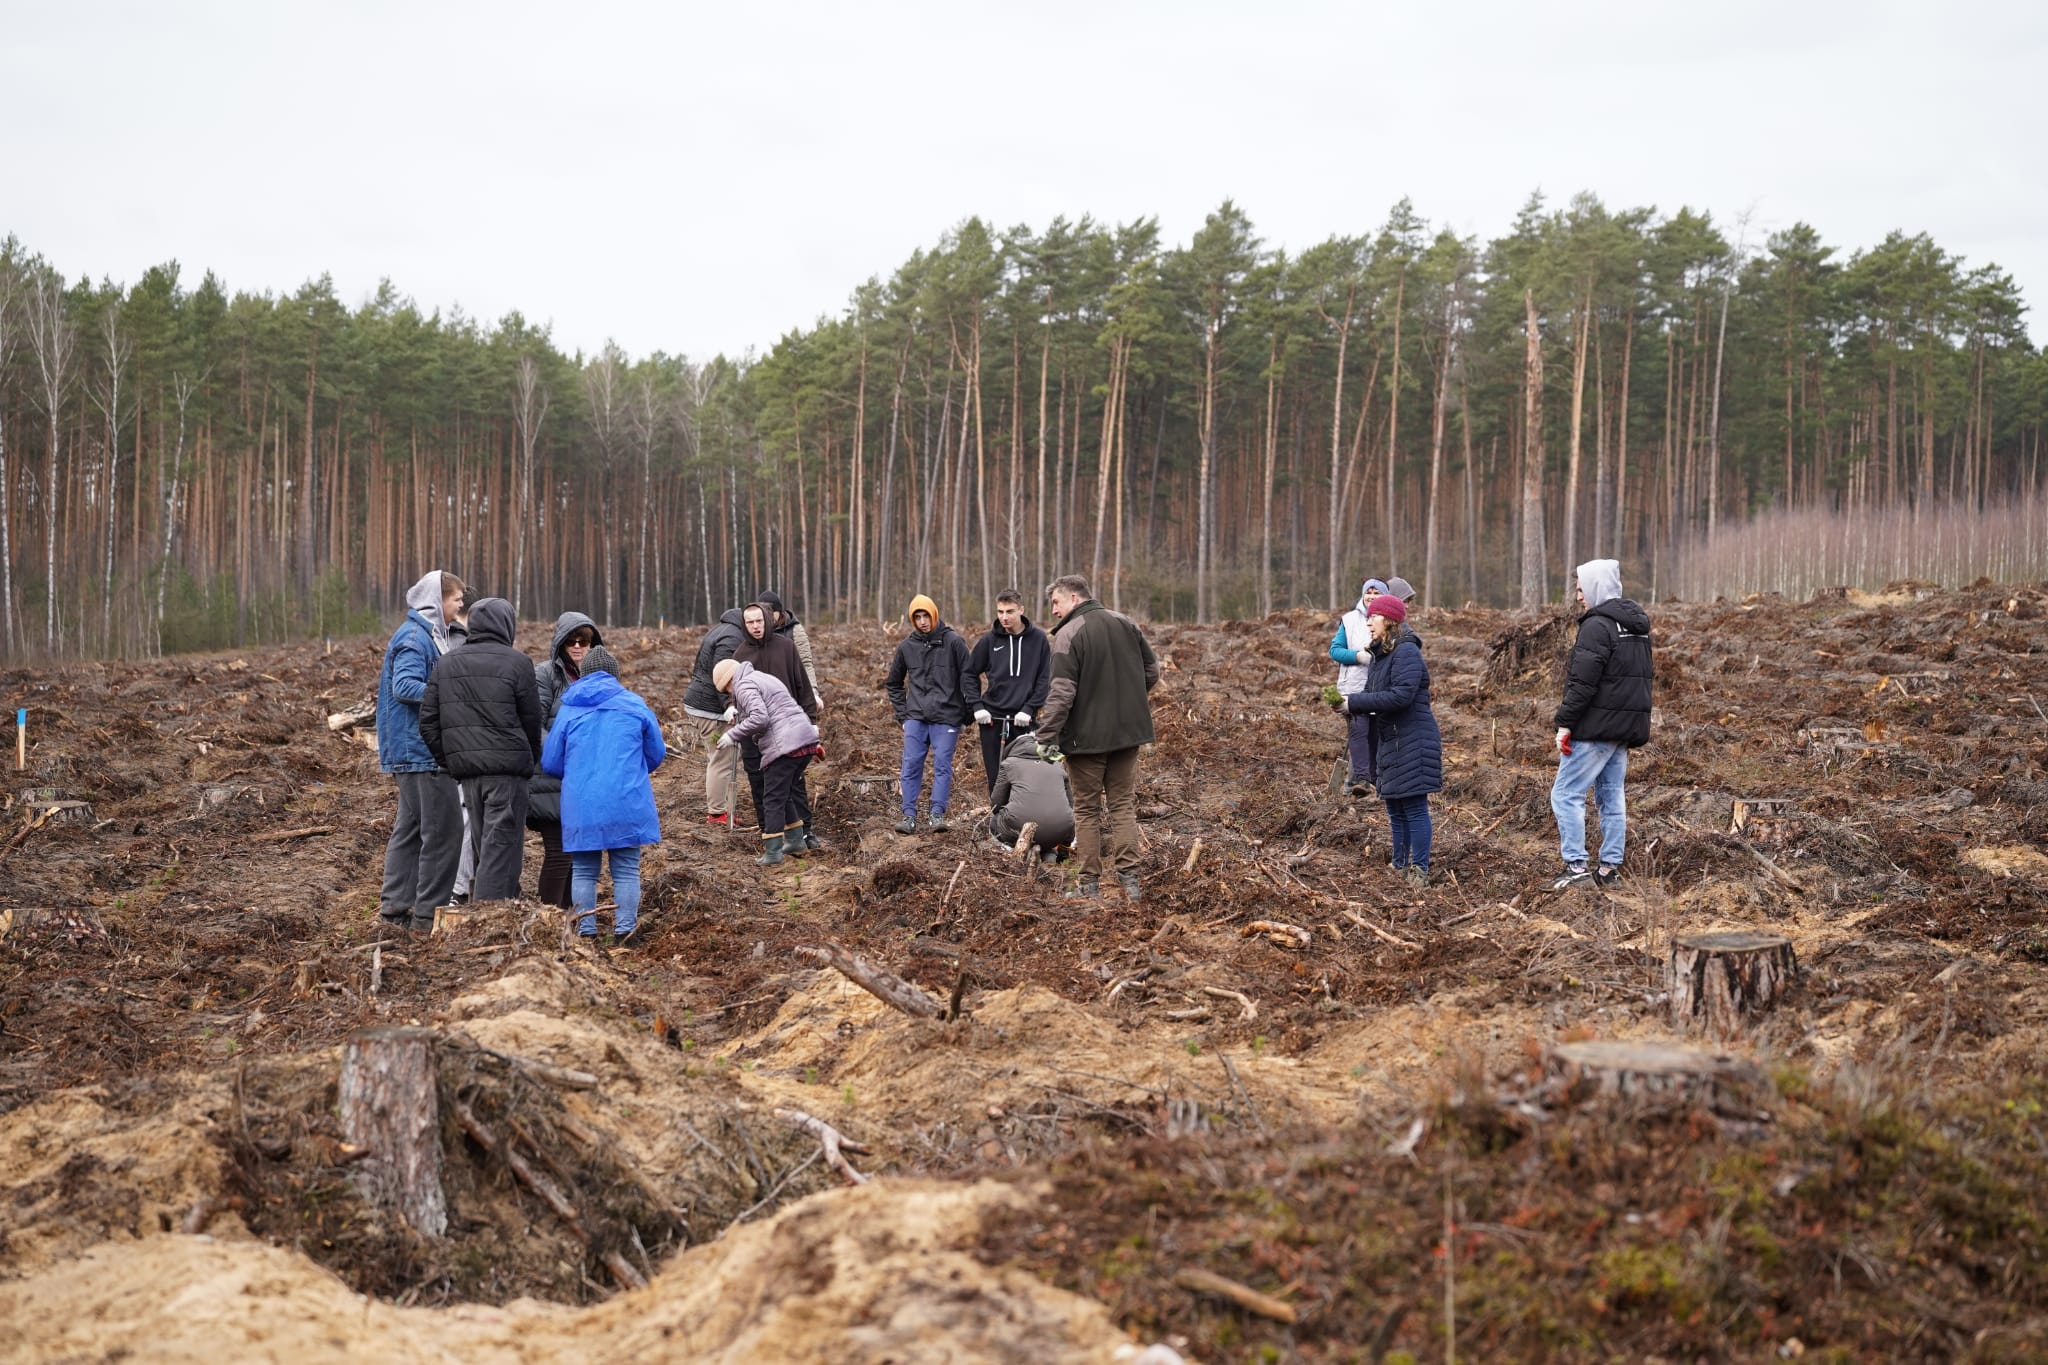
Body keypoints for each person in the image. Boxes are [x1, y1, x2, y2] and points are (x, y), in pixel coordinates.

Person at [1035, 574, 1159, 902]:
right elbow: (1152, 672)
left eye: (1056, 602)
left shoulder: (1069, 634)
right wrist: (1128, 703)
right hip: (1127, 734)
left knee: (1087, 811)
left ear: (1075, 598)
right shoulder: (1126, 623)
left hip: (1084, 740)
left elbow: (1062, 693)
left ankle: (1088, 885)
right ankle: (1131, 883)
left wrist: (1046, 736)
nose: (1054, 611)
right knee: (1122, 806)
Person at [419, 597, 542, 902]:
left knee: (484, 849)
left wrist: (451, 761)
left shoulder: (447, 663)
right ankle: (488, 918)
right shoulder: (518, 663)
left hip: (469, 775)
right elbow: (532, 721)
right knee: (500, 851)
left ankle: (498, 909)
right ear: (507, 625)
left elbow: (428, 721)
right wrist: (530, 760)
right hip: (507, 775)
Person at [540, 645, 665, 945]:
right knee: (626, 871)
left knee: (584, 871)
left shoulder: (569, 709)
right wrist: (631, 771)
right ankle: (625, 933)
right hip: (627, 801)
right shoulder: (635, 704)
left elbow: (551, 762)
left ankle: (587, 934)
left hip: (582, 804)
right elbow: (656, 754)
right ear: (615, 674)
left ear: (583, 675)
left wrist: (578, 775)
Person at [1550, 559, 1653, 891]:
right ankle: (1609, 869)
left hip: (1594, 729)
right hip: (1623, 730)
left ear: (1595, 587)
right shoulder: (1636, 627)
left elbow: (1582, 683)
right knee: (1611, 797)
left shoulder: (1596, 626)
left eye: (1582, 589)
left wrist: (1565, 723)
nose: (1579, 597)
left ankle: (1576, 867)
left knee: (1565, 794)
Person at [376, 569, 465, 934]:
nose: (460, 605)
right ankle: (428, 917)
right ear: (437, 601)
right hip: (421, 752)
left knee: (410, 831)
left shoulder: (426, 634)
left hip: (413, 750)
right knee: (445, 833)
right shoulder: (415, 637)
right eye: (456, 599)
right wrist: (449, 694)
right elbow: (404, 686)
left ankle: (395, 911)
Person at [1340, 594, 1443, 888]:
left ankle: (1419, 870)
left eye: (1373, 617)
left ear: (1388, 620)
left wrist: (1355, 702)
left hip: (1413, 740)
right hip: (1392, 740)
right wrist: (1348, 704)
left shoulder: (1406, 652)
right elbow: (1373, 696)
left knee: (1414, 808)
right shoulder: (1381, 655)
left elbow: (1401, 696)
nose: (1368, 622)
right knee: (1396, 809)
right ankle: (1399, 866)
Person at [734, 602, 822, 852]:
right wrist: (729, 707)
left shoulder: (786, 647)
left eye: (759, 621)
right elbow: (731, 690)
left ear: (767, 620)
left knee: (793, 782)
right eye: (750, 622)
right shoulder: (739, 655)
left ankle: (804, 832)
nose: (755, 626)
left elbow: (802, 685)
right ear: (744, 625)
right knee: (759, 781)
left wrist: (811, 721)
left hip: (787, 730)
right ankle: (769, 835)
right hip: (755, 733)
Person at [715, 657, 821, 865]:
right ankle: (795, 841)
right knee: (784, 791)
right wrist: (743, 720)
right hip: (805, 738)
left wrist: (732, 735)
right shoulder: (762, 677)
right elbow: (774, 712)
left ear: (728, 682)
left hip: (786, 745)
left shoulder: (743, 686)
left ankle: (773, 852)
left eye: (726, 690)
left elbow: (761, 718)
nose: (730, 694)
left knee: (771, 797)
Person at [529, 612, 601, 908]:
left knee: (574, 854)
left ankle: (568, 918)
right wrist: (562, 754)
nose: (577, 647)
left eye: (584, 641)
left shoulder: (598, 677)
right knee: (559, 852)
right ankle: (549, 918)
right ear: (560, 643)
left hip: (583, 779)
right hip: (550, 777)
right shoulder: (545, 674)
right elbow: (534, 723)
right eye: (571, 641)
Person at [884, 594, 970, 834]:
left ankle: (936, 814)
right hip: (916, 716)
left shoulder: (954, 642)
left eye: (926, 616)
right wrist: (903, 716)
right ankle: (909, 816)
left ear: (934, 614)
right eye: (917, 617)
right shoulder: (907, 647)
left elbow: (970, 678)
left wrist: (966, 714)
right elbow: (893, 682)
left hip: (947, 717)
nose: (922, 621)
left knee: (942, 764)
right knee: (911, 764)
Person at [965, 590, 1052, 798]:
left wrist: (1029, 708)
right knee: (996, 778)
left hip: (1024, 721)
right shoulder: (989, 640)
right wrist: (977, 706)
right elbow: (968, 673)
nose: (1004, 617)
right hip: (992, 720)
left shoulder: (1038, 639)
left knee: (1026, 776)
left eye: (1010, 611)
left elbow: (1044, 679)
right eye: (1000, 611)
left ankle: (1023, 815)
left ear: (1021, 610)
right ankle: (998, 815)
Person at [681, 608, 749, 827]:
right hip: (711, 709)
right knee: (723, 759)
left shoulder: (721, 629)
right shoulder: (732, 638)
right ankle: (718, 813)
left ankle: (724, 810)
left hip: (701, 704)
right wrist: (729, 705)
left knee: (721, 757)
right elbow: (722, 677)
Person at [1330, 578, 1390, 797]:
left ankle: (1370, 781)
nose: (1371, 596)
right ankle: (1360, 780)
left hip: (1378, 687)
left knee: (1374, 734)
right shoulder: (1349, 620)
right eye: (1368, 592)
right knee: (1359, 730)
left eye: (1377, 593)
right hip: (1353, 687)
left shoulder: (1390, 621)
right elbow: (1335, 651)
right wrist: (1358, 656)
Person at [988, 730, 1074, 856]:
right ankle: (1050, 853)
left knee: (994, 821)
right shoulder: (1057, 764)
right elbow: (1070, 805)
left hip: (1018, 829)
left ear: (1015, 746)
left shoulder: (1009, 763)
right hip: (1058, 832)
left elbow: (996, 804)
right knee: (1063, 819)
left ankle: (1011, 852)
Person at [756, 589, 824, 708]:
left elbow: (805, 662)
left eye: (771, 612)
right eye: (764, 613)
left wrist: (812, 691)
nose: (768, 616)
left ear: (779, 611)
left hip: (791, 692)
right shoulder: (756, 631)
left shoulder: (795, 630)